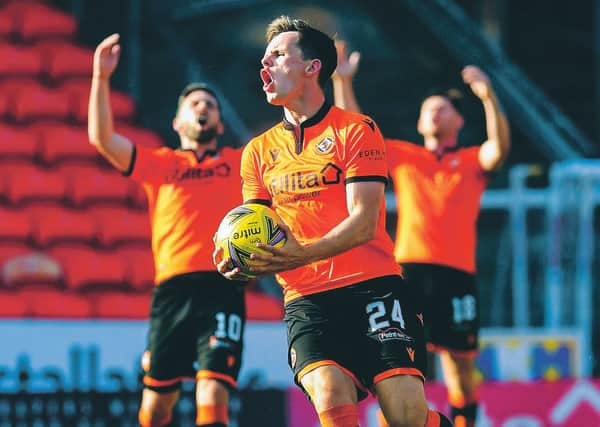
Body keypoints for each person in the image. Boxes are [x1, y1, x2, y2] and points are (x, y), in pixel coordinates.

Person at [215, 16, 451, 427]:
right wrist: (238, 261)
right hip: (307, 302)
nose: (264, 65)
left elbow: (363, 223)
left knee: (405, 417)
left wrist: (300, 253)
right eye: (263, 58)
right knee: (329, 393)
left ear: (312, 67)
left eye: (278, 55)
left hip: (373, 288)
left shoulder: (357, 130)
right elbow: (255, 225)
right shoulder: (256, 151)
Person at [333, 41, 510, 427]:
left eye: (442, 108)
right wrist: (342, 81)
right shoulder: (405, 155)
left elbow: (499, 149)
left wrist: (488, 95)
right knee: (400, 364)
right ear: (419, 123)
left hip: (457, 275)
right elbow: (357, 133)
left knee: (461, 366)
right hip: (408, 272)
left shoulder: (470, 160)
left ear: (458, 121)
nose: (434, 113)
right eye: (428, 109)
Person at [89, 33, 246, 427]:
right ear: (178, 122)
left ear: (220, 123)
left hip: (222, 286)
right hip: (172, 291)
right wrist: (100, 77)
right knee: (158, 405)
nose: (203, 108)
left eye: (210, 104)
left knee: (213, 393)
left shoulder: (238, 162)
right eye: (195, 104)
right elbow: (103, 139)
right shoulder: (160, 164)